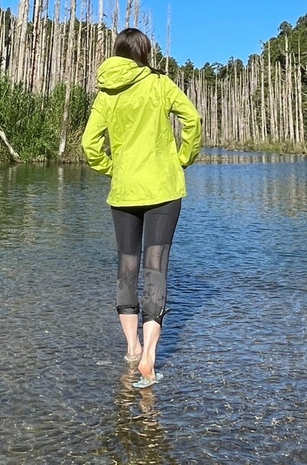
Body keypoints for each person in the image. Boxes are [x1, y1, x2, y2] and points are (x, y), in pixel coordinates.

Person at [81, 27, 202, 388]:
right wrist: (183, 156)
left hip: (125, 191)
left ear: (117, 53)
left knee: (127, 265)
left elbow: (89, 144)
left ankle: (131, 347)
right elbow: (192, 120)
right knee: (156, 267)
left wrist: (114, 170)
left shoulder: (106, 94)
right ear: (144, 53)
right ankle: (150, 355)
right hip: (163, 188)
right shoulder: (159, 84)